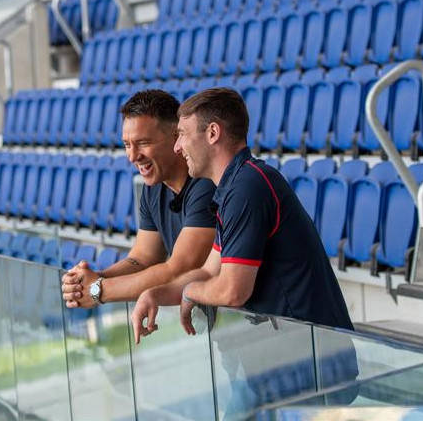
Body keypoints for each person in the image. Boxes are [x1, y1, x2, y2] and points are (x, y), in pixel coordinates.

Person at [131, 87, 354, 341]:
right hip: (287, 352)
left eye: (182, 135)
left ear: (213, 133)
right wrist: (156, 294)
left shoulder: (248, 187)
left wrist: (190, 292)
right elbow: (208, 272)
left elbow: (232, 291)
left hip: (316, 358)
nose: (178, 147)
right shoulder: (234, 187)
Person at [61, 89, 216, 308]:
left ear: (176, 138)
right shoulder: (153, 186)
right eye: (127, 144)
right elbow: (143, 258)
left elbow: (180, 268)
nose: (133, 156)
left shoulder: (207, 184)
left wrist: (98, 290)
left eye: (143, 143)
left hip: (260, 322)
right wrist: (92, 279)